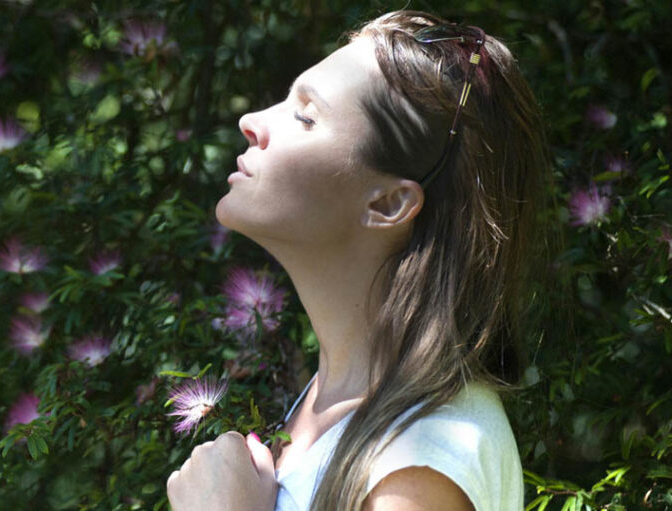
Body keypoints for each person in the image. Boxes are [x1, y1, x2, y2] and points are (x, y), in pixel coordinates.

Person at [166, 9, 550, 511]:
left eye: (305, 116)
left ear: (388, 204)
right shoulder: (337, 403)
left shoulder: (418, 463)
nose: (252, 122)